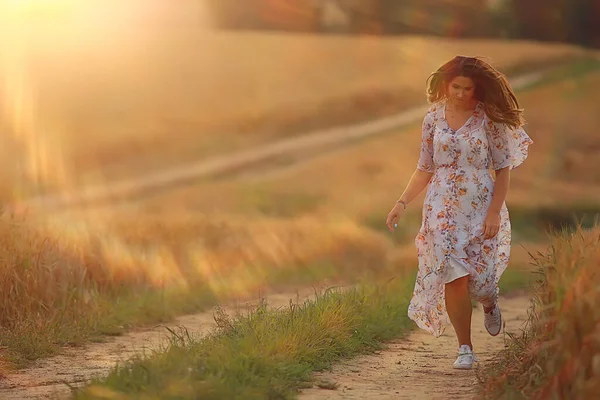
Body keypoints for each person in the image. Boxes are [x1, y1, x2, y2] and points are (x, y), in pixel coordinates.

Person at [385, 55, 533, 370]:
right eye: (456, 87)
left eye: (467, 88)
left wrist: (494, 213)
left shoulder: (488, 119)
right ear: (445, 85)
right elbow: (424, 168)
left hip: (479, 203)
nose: (461, 93)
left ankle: (490, 300)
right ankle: (464, 347)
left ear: (476, 88)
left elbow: (503, 170)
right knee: (454, 275)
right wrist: (401, 202)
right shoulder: (433, 118)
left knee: (480, 283)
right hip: (440, 208)